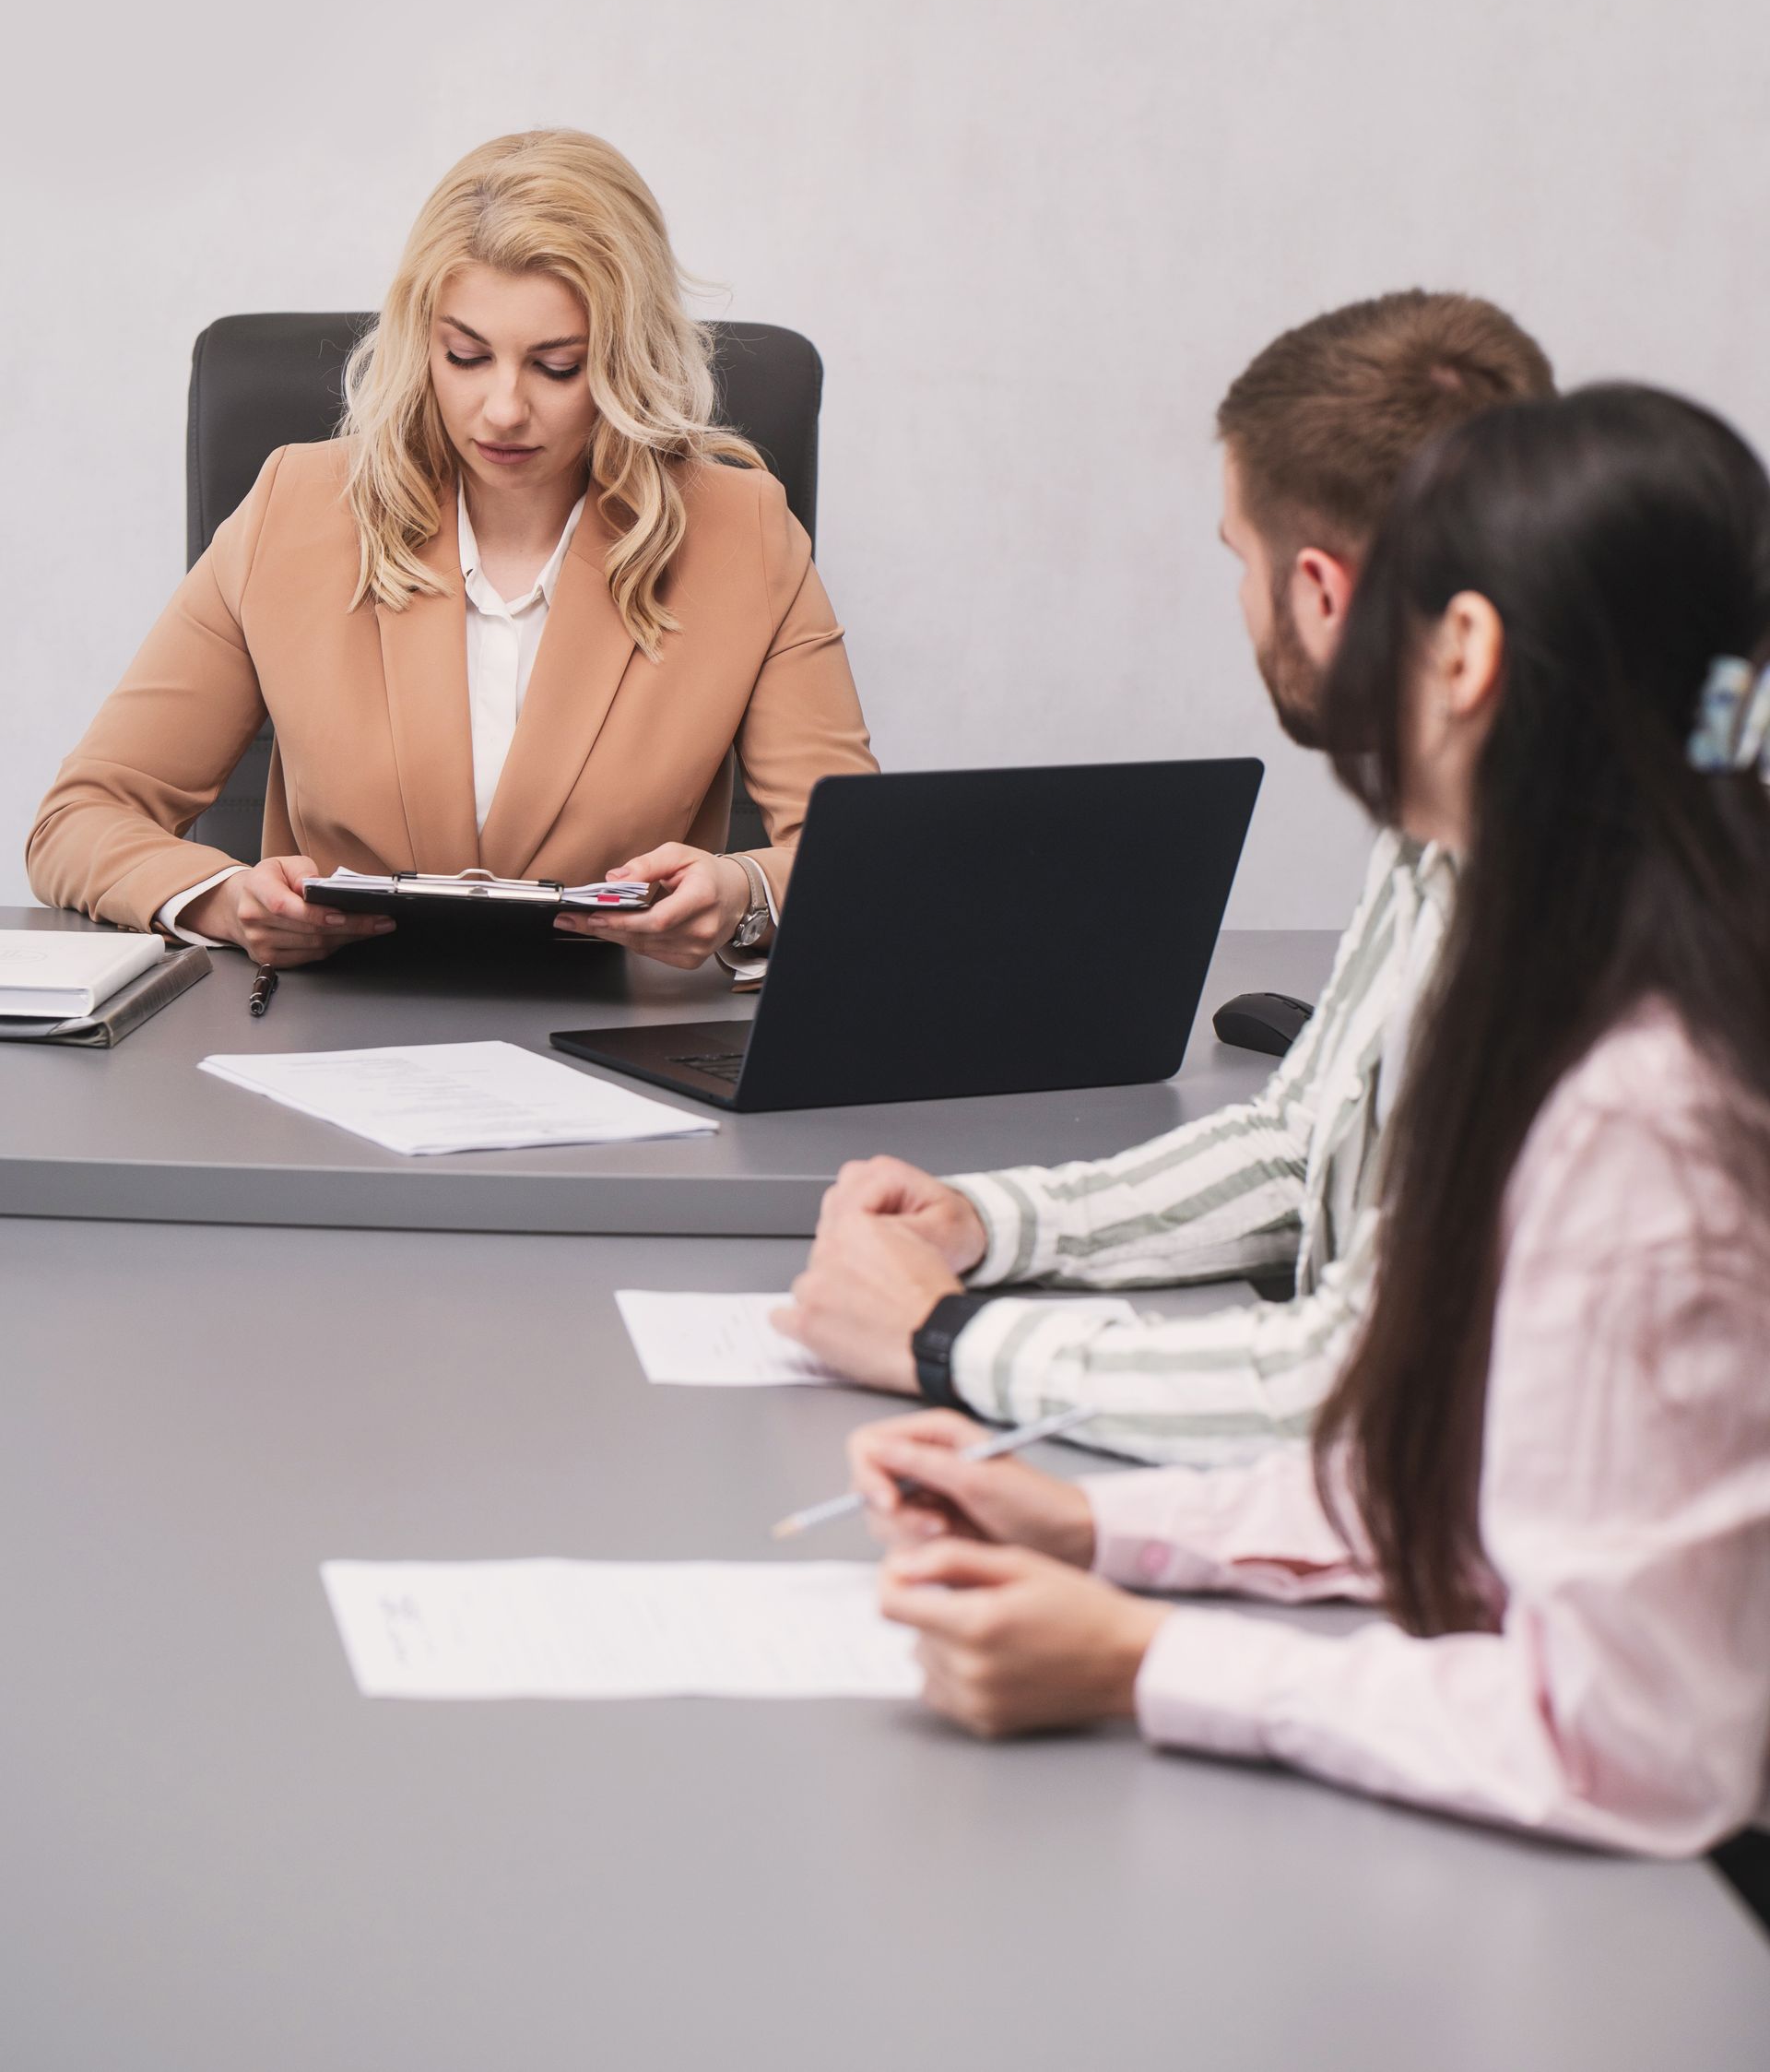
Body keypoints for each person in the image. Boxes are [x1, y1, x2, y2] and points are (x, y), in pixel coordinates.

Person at [851, 385, 1770, 1862]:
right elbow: (1490, 1479)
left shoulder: (1648, 1108)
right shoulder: (1603, 973)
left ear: (1463, 652)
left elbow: (1620, 1745)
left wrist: (1146, 1659)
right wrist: (1101, 1531)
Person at [776, 292, 1552, 1461]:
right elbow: (1298, 1149)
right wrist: (993, 1222)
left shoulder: (1574, 922)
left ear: (1322, 593)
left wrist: (947, 1342)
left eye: (1241, 560)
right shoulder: (1450, 822)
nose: (1240, 600)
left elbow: (1363, 1385)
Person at [28, 129, 877, 968]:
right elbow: (81, 818)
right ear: (421, 342)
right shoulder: (296, 508)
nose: (503, 410)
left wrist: (744, 894)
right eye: (466, 356)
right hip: (332, 1040)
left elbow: (861, 868)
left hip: (616, 1044)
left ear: (628, 358)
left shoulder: (743, 533)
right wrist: (224, 900)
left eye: (557, 366)